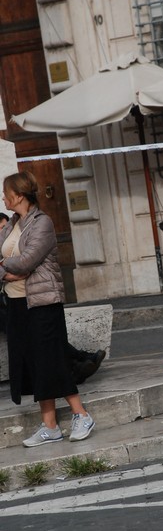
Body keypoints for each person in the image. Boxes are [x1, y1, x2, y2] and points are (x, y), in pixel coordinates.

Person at [0, 171, 95, 447]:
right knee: (33, 364)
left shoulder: (43, 223)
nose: (3, 197)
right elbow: (13, 263)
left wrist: (7, 268)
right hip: (17, 303)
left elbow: (27, 261)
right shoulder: (11, 225)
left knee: (51, 360)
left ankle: (82, 414)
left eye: (6, 192)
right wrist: (9, 271)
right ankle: (50, 426)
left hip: (42, 303)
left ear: (18, 195)